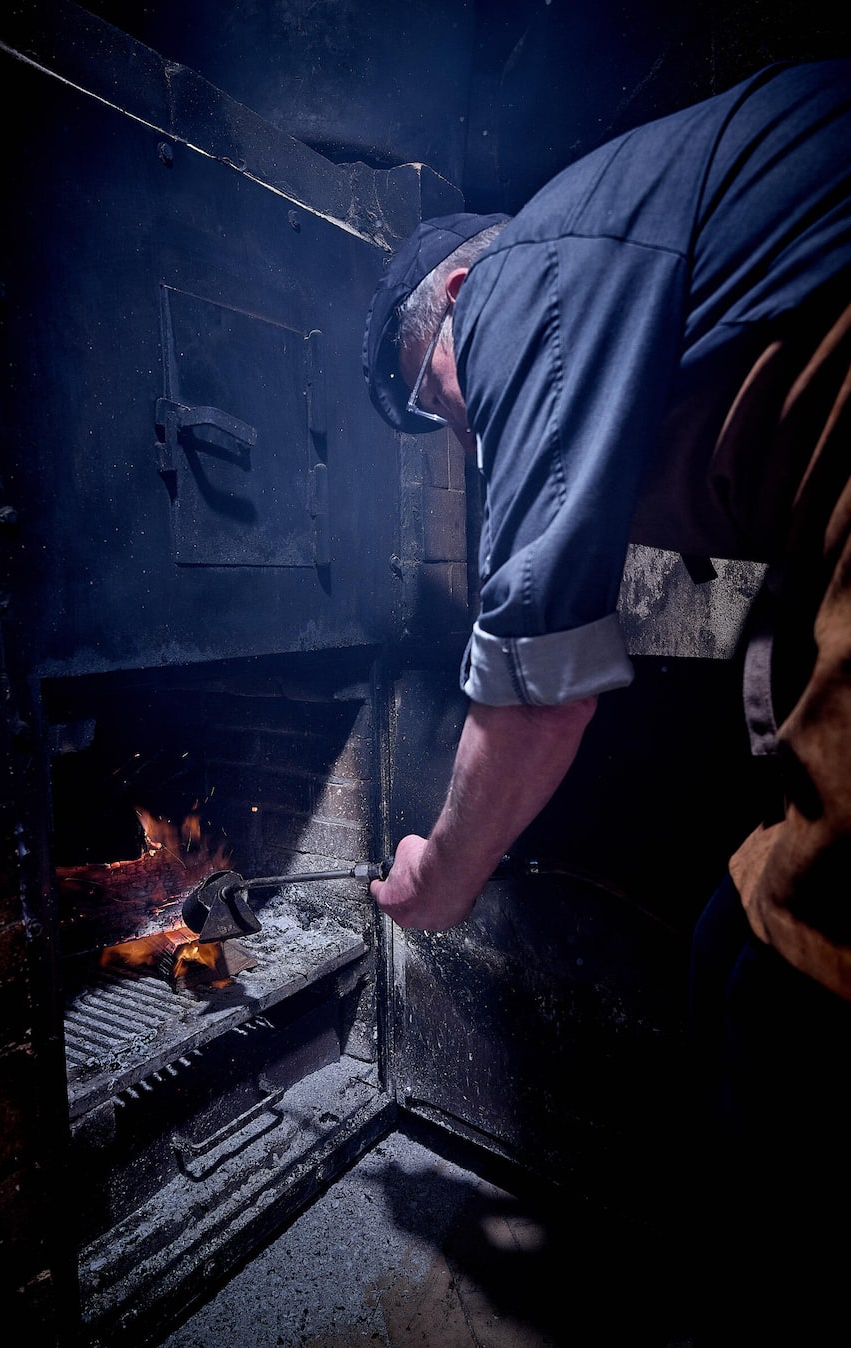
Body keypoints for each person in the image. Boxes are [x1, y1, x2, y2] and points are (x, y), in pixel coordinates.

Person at [361, 58, 851, 1346]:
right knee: (726, 944)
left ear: (450, 294)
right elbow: (685, 592)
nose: (452, 426)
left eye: (427, 392)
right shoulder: (618, 283)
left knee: (791, 979)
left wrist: (443, 876)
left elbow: (538, 696)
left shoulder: (523, 278)